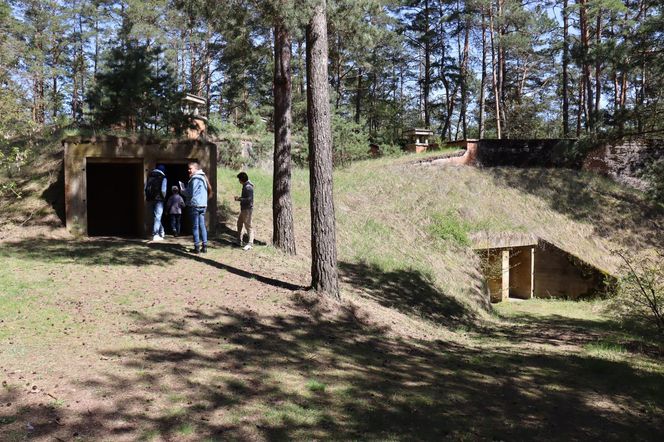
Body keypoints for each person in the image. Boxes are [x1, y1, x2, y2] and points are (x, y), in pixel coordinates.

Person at [184, 161, 212, 254]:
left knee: (195, 227)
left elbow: (191, 193)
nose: (188, 170)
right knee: (202, 226)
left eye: (190, 168)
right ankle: (204, 247)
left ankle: (197, 248)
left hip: (195, 205)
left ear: (195, 168)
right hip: (203, 205)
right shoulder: (203, 177)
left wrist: (182, 190)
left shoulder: (195, 178)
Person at [145, 164, 167, 241]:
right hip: (159, 200)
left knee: (156, 216)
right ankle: (155, 234)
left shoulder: (150, 177)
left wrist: (147, 197)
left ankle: (161, 231)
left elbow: (146, 188)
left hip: (150, 199)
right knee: (158, 216)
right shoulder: (163, 177)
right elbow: (163, 190)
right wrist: (163, 197)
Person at [234, 172, 254, 251]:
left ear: (242, 179)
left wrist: (239, 199)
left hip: (247, 209)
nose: (239, 181)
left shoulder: (248, 187)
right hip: (243, 209)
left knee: (248, 226)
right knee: (239, 223)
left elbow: (249, 199)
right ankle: (239, 240)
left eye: (239, 179)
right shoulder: (245, 186)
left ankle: (250, 243)